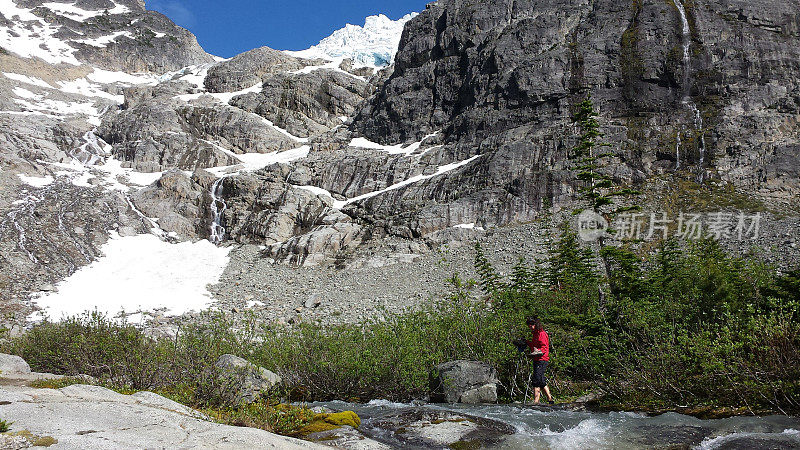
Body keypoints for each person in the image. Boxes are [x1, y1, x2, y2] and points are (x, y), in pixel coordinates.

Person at [526, 316, 554, 404]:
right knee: (541, 380)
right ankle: (550, 399)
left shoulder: (542, 334)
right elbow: (534, 346)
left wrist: (538, 351)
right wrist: (526, 342)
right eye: (529, 324)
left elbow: (544, 347)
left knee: (536, 379)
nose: (530, 326)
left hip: (542, 359)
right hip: (536, 359)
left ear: (536, 324)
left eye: (532, 324)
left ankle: (536, 401)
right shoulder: (535, 334)